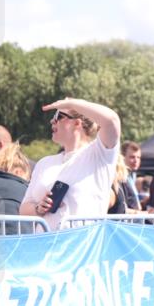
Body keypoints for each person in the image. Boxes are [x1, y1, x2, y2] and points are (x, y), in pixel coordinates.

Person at [19, 97, 121, 231]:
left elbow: (111, 120)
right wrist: (38, 208)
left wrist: (72, 103)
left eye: (58, 116)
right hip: (45, 244)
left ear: (77, 123)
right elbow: (24, 208)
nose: (52, 120)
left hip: (82, 247)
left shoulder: (99, 154)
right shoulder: (44, 163)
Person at [120, 141, 143, 210]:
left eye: (138, 157)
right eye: (132, 157)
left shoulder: (132, 176)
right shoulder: (119, 177)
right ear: (122, 157)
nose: (136, 160)